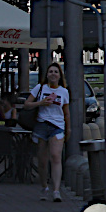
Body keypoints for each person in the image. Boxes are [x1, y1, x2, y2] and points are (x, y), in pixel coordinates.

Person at [23, 61, 70, 202]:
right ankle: (44, 186)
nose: (53, 74)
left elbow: (66, 112)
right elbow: (27, 105)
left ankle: (56, 190)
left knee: (56, 156)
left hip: (57, 126)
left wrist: (69, 128)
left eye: (56, 72)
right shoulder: (40, 88)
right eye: (51, 72)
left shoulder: (64, 91)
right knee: (42, 160)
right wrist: (40, 103)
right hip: (42, 125)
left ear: (60, 76)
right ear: (47, 75)